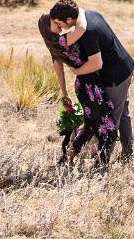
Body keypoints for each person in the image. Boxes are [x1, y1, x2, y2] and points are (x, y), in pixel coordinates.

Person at [49, 0, 134, 160]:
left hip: (115, 77)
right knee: (123, 113)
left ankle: (102, 164)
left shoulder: (87, 33)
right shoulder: (90, 14)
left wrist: (77, 70)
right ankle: (128, 154)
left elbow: (96, 64)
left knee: (110, 121)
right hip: (125, 67)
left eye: (60, 24)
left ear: (69, 19)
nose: (60, 28)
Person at [38, 12, 117, 163]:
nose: (57, 21)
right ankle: (99, 162)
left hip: (84, 85)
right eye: (53, 21)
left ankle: (69, 157)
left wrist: (65, 94)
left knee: (91, 125)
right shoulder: (61, 41)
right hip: (90, 87)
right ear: (47, 26)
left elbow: (60, 73)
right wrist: (80, 10)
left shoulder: (52, 45)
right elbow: (81, 29)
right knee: (103, 126)